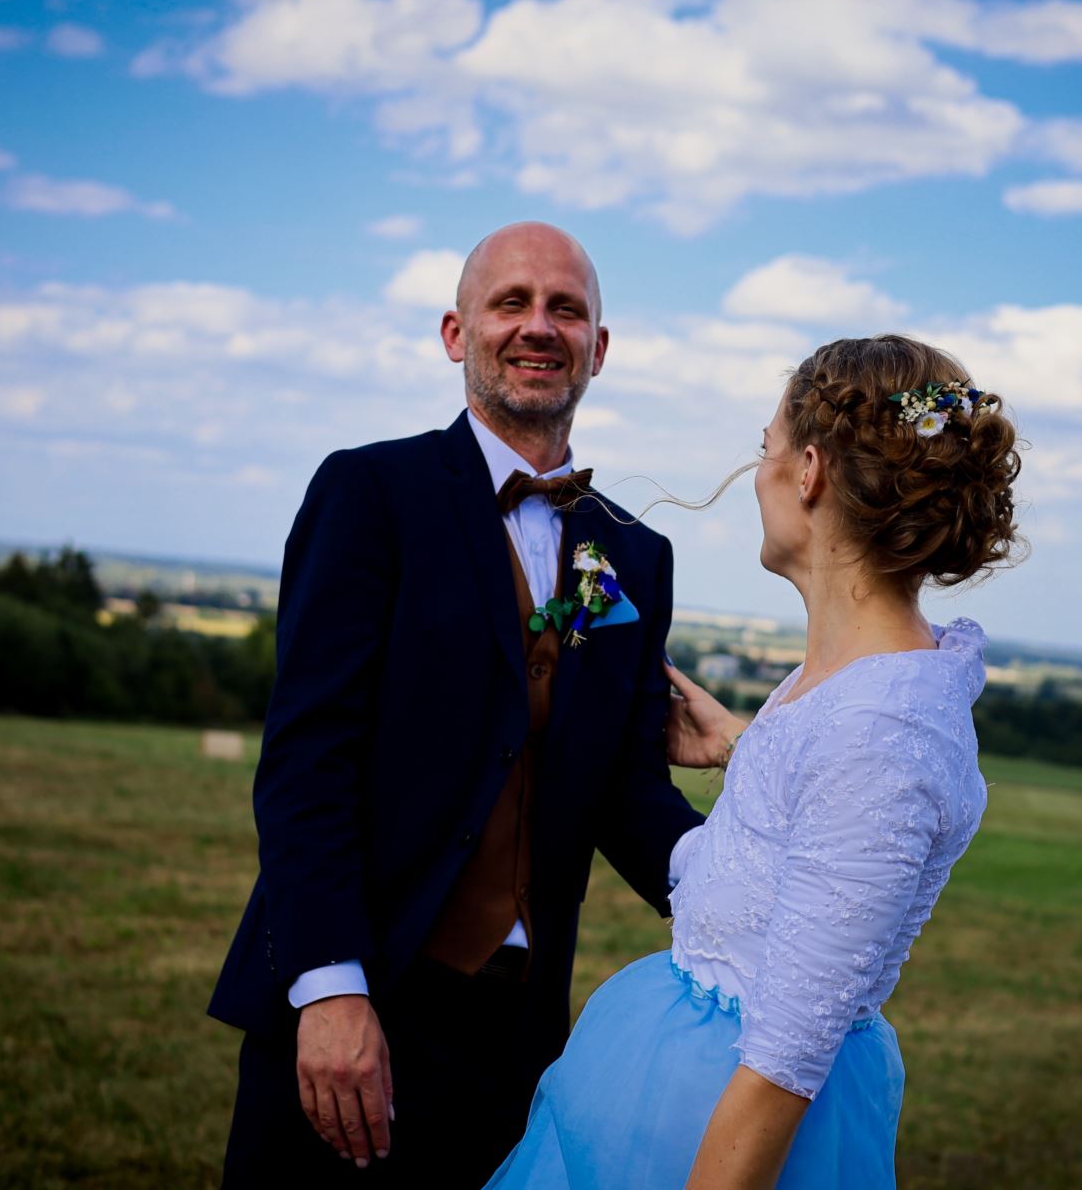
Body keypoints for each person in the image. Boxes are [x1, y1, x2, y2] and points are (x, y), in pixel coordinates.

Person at [211, 222, 711, 1187]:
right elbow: (310, 758)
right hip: (358, 995)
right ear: (456, 333)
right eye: (510, 303)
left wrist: (738, 878)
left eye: (566, 309)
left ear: (599, 347)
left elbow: (623, 791)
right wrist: (331, 988)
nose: (539, 326)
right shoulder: (370, 492)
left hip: (519, 1038)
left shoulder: (632, 553)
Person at [482, 333, 1022, 1190]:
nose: (758, 475)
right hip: (679, 1086)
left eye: (766, 448)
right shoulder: (843, 687)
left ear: (808, 471)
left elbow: (782, 1066)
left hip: (726, 1125)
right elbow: (800, 853)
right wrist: (750, 752)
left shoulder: (885, 731)